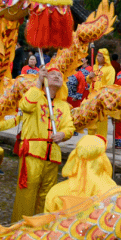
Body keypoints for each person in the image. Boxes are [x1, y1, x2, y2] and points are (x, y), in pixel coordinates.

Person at [12, 67, 76, 221]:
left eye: (59, 75)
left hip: (52, 155)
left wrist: (63, 134)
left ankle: (41, 225)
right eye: (52, 74)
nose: (56, 76)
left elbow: (70, 127)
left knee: (47, 194)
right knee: (27, 191)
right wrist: (38, 81)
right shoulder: (35, 96)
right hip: (33, 152)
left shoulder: (64, 106)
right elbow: (25, 106)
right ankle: (21, 225)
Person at [44, 135, 117, 213]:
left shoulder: (56, 192)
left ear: (74, 157)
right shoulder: (112, 191)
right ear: (103, 160)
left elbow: (46, 221)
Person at [86, 48, 115, 143]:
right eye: (97, 55)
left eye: (100, 56)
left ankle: (101, 144)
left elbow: (109, 84)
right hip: (91, 98)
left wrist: (100, 93)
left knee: (101, 123)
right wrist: (89, 77)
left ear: (105, 57)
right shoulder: (94, 67)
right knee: (91, 121)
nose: (98, 57)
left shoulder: (110, 69)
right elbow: (89, 81)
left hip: (102, 99)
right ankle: (90, 143)